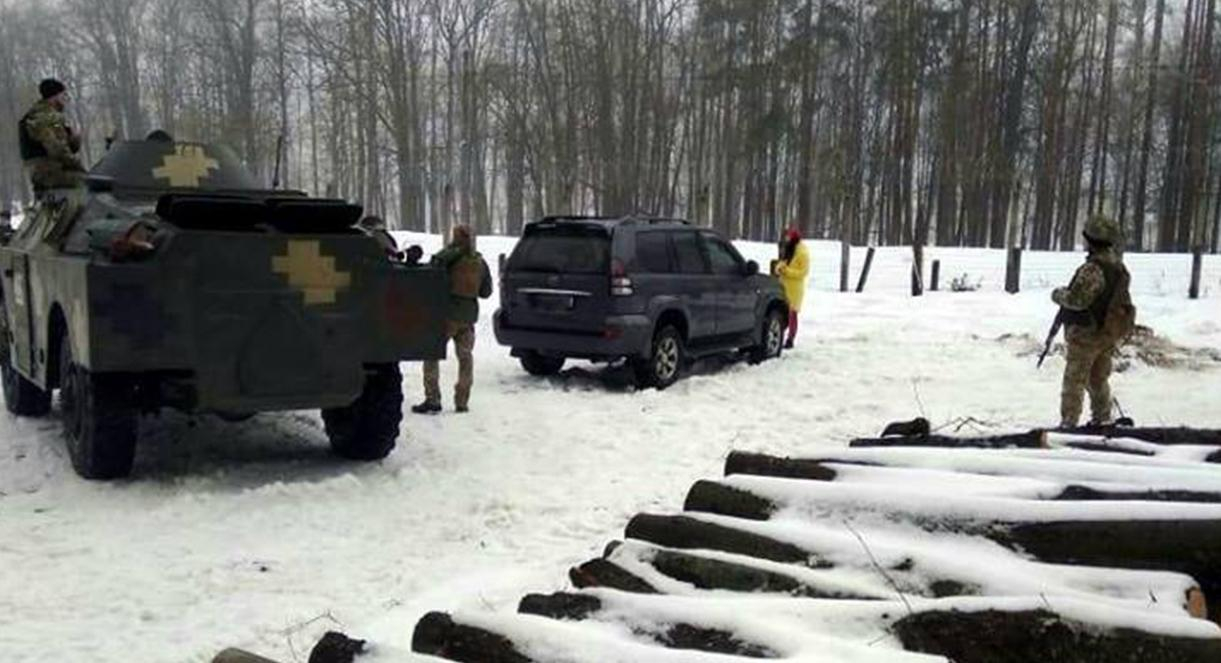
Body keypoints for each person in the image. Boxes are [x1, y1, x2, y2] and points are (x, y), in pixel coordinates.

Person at [1052, 215, 1136, 428]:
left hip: (1087, 333)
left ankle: (1068, 423)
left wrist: (1058, 295)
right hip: (1106, 333)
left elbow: (1077, 301)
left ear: (1091, 239)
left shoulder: (1093, 268)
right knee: (1098, 378)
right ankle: (1102, 418)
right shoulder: (1117, 266)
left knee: (1075, 380)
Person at [412, 224, 492, 414]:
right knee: (466, 359)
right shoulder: (480, 262)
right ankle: (462, 402)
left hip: (445, 315)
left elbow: (431, 274)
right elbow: (486, 292)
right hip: (468, 318)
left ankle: (432, 399)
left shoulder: (446, 257)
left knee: (431, 355)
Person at [19, 78, 85, 195]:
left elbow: (65, 147)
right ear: (55, 97)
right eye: (63, 95)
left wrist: (74, 139)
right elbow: (58, 150)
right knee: (90, 183)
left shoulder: (39, 115)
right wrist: (80, 167)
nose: (66, 99)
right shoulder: (47, 118)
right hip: (50, 172)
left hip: (45, 172)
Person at [773, 227, 809, 349]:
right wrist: (779, 268)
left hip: (795, 289)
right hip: (784, 285)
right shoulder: (789, 250)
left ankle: (790, 339)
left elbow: (803, 272)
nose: (787, 240)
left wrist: (787, 271)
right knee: (782, 312)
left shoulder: (803, 253)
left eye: (789, 237)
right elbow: (784, 262)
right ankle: (781, 335)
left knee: (792, 314)